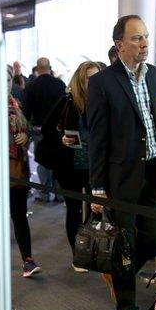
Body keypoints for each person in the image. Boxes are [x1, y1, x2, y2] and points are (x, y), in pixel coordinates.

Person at [87, 14, 156, 310]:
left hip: (151, 172)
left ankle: (117, 271)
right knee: (125, 241)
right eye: (137, 38)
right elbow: (98, 138)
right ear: (119, 44)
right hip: (120, 176)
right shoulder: (103, 83)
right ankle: (127, 305)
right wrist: (97, 188)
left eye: (146, 37)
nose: (144, 43)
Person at [57, 61, 100, 272]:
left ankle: (92, 251)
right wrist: (62, 139)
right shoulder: (70, 101)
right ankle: (78, 255)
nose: (94, 82)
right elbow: (51, 127)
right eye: (90, 78)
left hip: (96, 166)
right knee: (73, 210)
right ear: (81, 80)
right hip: (72, 166)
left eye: (97, 77)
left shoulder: (102, 101)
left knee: (98, 209)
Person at [7, 76, 41, 278]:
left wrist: (26, 136)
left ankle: (27, 260)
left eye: (9, 79)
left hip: (17, 169)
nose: (6, 83)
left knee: (19, 215)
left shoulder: (15, 103)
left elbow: (27, 127)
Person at [25, 57, 67, 202]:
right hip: (57, 129)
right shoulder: (60, 84)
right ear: (50, 67)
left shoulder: (31, 85)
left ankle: (44, 194)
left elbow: (26, 110)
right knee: (58, 161)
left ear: (37, 69)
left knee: (42, 161)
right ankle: (60, 194)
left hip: (39, 130)